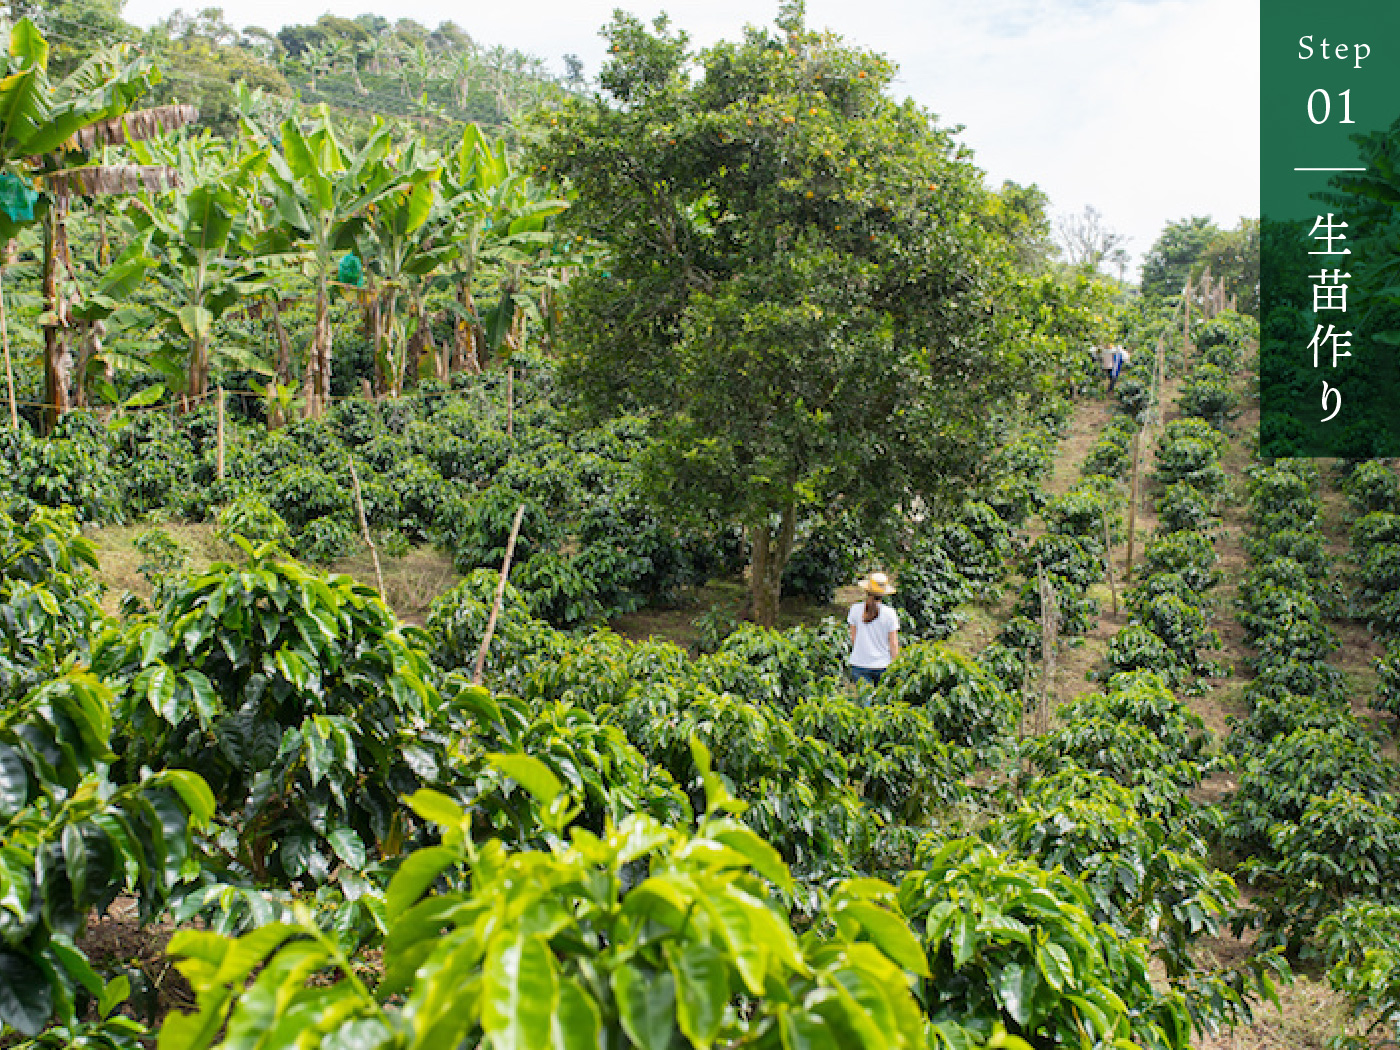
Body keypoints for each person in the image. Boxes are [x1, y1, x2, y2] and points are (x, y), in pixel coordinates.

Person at [847, 572, 900, 685]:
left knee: (864, 696)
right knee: (882, 696)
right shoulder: (890, 613)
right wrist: (896, 665)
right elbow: (893, 643)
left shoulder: (855, 609)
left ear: (867, 590)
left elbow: (853, 638)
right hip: (883, 665)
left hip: (859, 664)